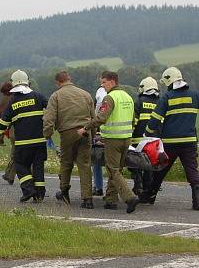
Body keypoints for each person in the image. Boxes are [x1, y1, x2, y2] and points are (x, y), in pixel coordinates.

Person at [79, 71, 140, 213]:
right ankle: (111, 200)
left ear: (112, 82)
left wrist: (86, 128)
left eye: (104, 82)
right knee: (117, 169)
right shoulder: (128, 97)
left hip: (113, 139)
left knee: (113, 170)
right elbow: (133, 120)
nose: (102, 85)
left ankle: (130, 197)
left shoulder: (110, 97)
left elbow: (101, 118)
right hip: (126, 139)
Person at [143, 67, 199, 209]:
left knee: (161, 169)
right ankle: (197, 200)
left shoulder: (167, 97)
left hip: (170, 142)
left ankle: (150, 196)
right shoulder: (195, 95)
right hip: (189, 141)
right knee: (192, 170)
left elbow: (155, 119)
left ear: (169, 80)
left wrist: (148, 133)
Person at [43, 71, 95, 208]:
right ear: (69, 79)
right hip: (85, 132)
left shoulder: (56, 96)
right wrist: (93, 135)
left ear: (58, 82)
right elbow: (93, 117)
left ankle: (65, 193)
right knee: (84, 164)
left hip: (67, 133)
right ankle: (87, 199)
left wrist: (47, 134)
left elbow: (49, 118)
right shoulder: (86, 94)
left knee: (66, 163)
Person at [0, 70, 48, 202]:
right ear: (27, 81)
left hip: (23, 143)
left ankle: (28, 188)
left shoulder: (13, 102)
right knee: (38, 167)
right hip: (40, 141)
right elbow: (51, 110)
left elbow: (3, 122)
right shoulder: (38, 96)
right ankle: (39, 194)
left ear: (14, 84)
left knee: (20, 164)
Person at [130, 77, 159, 197]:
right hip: (154, 141)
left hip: (138, 140)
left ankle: (138, 183)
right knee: (149, 164)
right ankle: (147, 188)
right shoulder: (160, 102)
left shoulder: (139, 102)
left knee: (135, 163)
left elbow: (134, 122)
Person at [92, 85, 107, 196]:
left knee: (96, 162)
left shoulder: (99, 103)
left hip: (100, 137)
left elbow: (95, 119)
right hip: (114, 137)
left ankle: (98, 187)